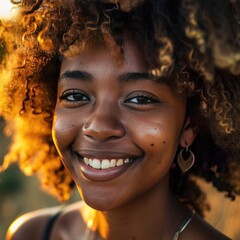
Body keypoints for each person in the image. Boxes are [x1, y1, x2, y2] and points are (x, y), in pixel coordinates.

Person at [0, 0, 240, 239]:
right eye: (75, 95)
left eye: (140, 99)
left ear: (190, 125)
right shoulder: (32, 234)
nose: (98, 127)